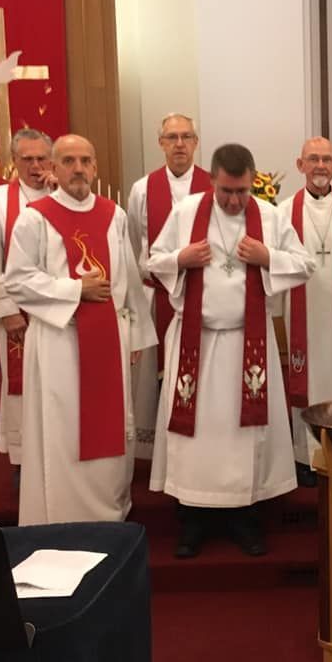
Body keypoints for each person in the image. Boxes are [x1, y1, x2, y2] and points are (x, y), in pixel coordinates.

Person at [147, 143, 315, 558]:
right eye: (226, 191)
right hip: (196, 345)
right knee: (196, 436)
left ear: (252, 182)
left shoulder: (270, 217)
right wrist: (181, 258)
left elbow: (305, 264)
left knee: (245, 435)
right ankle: (192, 519)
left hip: (247, 345)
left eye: (241, 192)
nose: (235, 201)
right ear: (213, 180)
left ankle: (245, 518)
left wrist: (267, 255)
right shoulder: (186, 213)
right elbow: (152, 261)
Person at [4, 134, 156, 525]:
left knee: (110, 430)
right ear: (53, 169)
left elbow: (130, 282)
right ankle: (61, 516)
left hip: (108, 338)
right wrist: (75, 290)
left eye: (85, 160)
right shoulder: (35, 217)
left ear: (96, 167)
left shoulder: (115, 215)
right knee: (63, 428)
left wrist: (136, 333)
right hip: (59, 342)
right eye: (68, 161)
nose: (78, 169)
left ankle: (109, 511)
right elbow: (17, 280)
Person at [277, 136, 332, 487]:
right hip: (303, 316)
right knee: (307, 383)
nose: (320, 166)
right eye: (312, 159)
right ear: (300, 165)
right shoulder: (284, 211)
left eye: (326, 159)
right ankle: (304, 456)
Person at [127, 113, 212, 459]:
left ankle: (198, 443)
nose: (179, 144)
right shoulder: (142, 189)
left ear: (196, 142)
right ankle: (155, 451)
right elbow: (135, 244)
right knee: (152, 380)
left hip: (203, 297)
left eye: (186, 137)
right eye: (172, 137)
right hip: (155, 296)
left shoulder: (212, 184)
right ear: (160, 143)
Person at [0, 128, 54, 469]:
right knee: (23, 387)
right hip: (19, 316)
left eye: (41, 158)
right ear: (14, 161)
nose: (35, 166)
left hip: (61, 311)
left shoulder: (66, 195)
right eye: (27, 159)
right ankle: (25, 466)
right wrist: (7, 312)